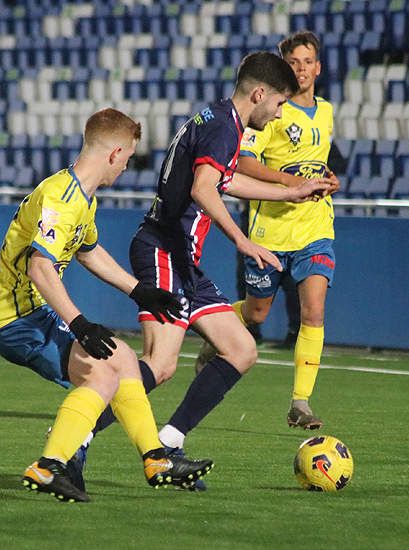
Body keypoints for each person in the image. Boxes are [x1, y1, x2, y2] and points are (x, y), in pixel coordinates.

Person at [74, 52, 332, 493]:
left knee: (241, 349)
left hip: (183, 260)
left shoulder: (218, 120)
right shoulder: (221, 127)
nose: (280, 113)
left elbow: (225, 181)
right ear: (259, 94)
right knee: (161, 363)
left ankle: (169, 443)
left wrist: (291, 189)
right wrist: (243, 240)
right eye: (280, 103)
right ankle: (73, 439)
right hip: (163, 251)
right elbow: (203, 189)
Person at [0, 108, 213, 503]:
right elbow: (40, 268)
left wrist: (139, 290)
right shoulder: (61, 198)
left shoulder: (81, 198)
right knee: (101, 378)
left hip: (32, 313)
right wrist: (81, 324)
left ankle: (156, 459)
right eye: (127, 158)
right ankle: (48, 464)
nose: (126, 167)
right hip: (15, 319)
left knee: (122, 359)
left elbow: (88, 251)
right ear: (113, 153)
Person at [198, 31, 340, 430]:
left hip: (315, 227)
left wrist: (328, 180)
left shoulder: (326, 112)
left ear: (318, 67)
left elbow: (315, 164)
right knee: (258, 312)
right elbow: (241, 163)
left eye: (308, 61)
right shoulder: (271, 112)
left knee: (314, 311)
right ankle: (216, 332)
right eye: (293, 62)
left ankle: (301, 402)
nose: (302, 69)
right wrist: (287, 184)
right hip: (270, 230)